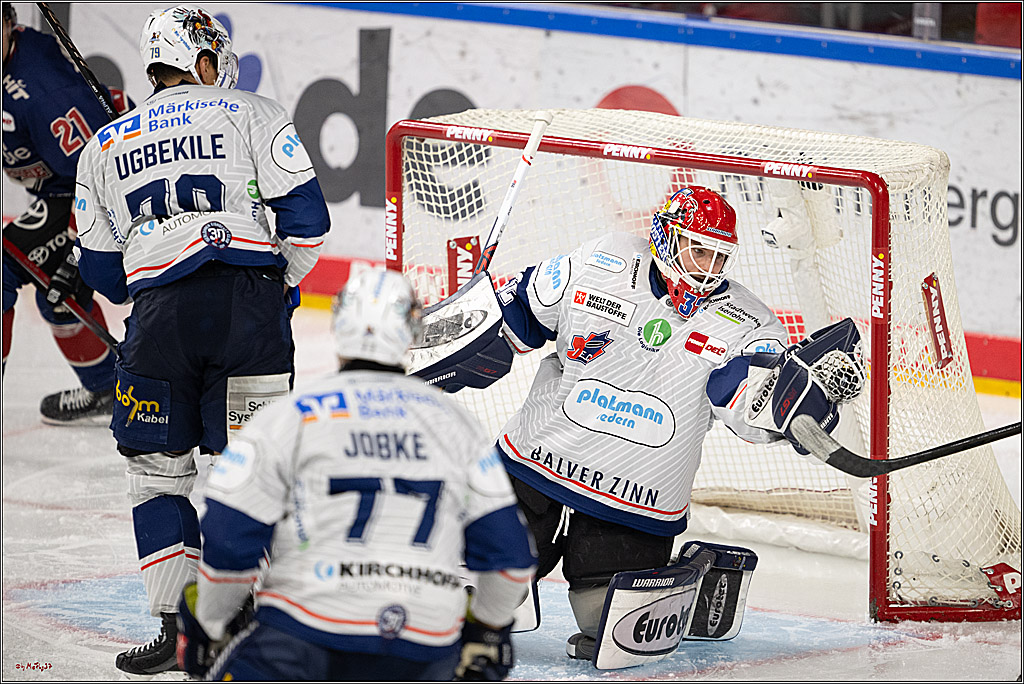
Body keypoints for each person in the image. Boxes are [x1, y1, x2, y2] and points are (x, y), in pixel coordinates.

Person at [413, 185, 865, 662]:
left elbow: (746, 402)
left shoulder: (748, 323)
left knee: (609, 628)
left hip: (634, 499)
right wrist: (459, 335)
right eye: (699, 250)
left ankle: (688, 580)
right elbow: (521, 313)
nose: (709, 268)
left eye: (719, 257)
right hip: (533, 467)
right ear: (666, 237)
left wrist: (799, 401)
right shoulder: (600, 262)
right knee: (464, 594)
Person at [72, 4, 330, 675]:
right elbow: (307, 223)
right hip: (248, 312)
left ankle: (175, 631)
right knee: (252, 470)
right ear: (200, 61)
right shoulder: (252, 112)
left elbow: (104, 275)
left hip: (159, 321)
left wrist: (155, 274)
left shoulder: (101, 147)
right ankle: (259, 622)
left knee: (156, 477)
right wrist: (280, 287)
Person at [173, 267, 538, 681]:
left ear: (337, 324)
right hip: (421, 646)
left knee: (203, 623)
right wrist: (485, 629)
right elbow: (510, 560)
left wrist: (209, 625)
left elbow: (228, 544)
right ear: (414, 328)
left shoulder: (287, 418)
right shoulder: (457, 426)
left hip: (305, 637)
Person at [2, 3, 131, 424]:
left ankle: (118, 387)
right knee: (56, 298)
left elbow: (101, 172)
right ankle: (109, 388)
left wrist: (78, 252)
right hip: (63, 184)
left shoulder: (40, 90)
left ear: (9, 24)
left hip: (103, 183)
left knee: (13, 270)